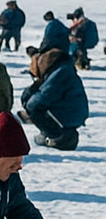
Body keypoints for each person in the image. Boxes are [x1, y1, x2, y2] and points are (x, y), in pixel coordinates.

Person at [20, 21, 89, 150]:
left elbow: (47, 94)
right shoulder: (62, 62)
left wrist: (30, 106)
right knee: (30, 100)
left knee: (34, 107)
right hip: (72, 111)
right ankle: (52, 132)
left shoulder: (61, 70)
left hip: (70, 114)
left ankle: (57, 137)